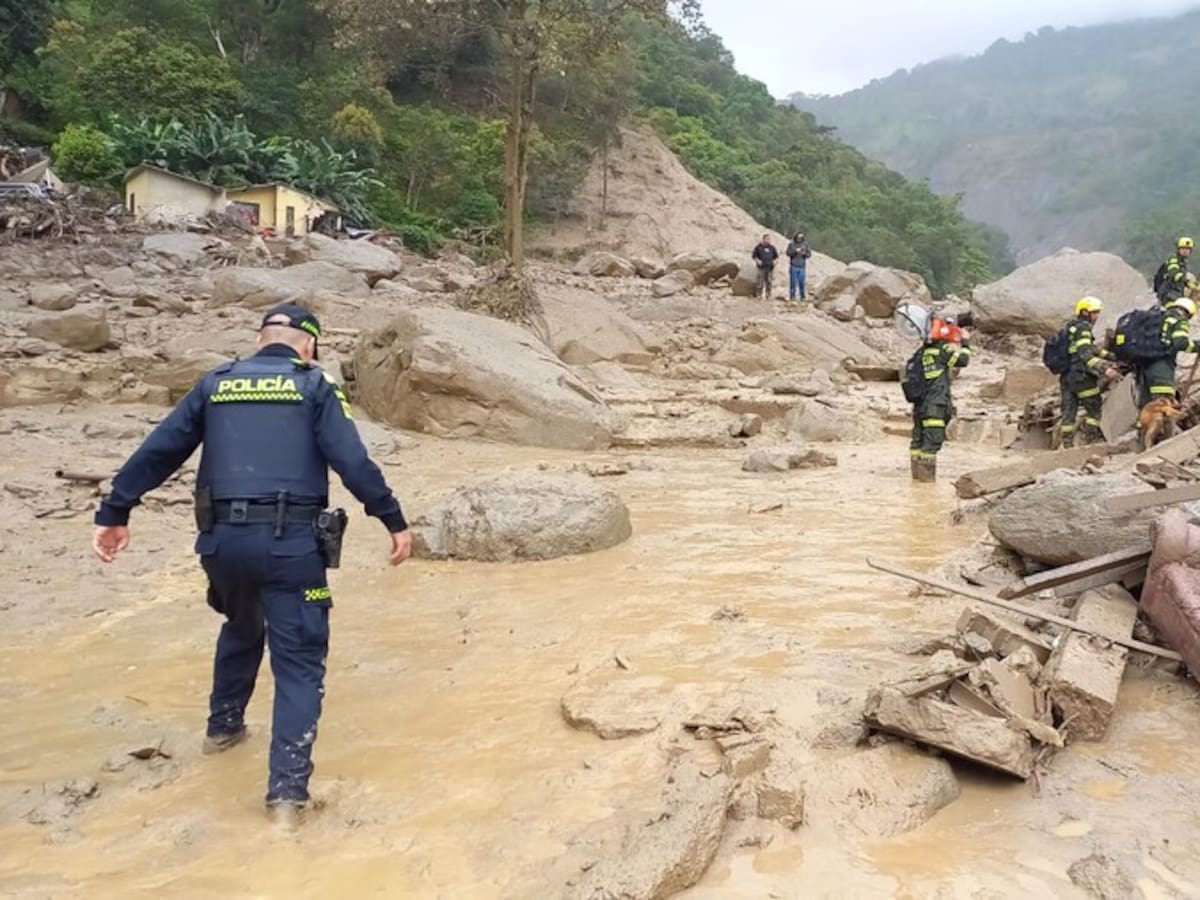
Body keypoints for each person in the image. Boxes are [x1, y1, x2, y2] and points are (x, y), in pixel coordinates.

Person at [92, 303, 412, 824]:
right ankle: (286, 797)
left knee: (242, 625)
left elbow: (159, 450)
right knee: (300, 665)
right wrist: (393, 521)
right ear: (309, 345)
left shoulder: (216, 382)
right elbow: (352, 461)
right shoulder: (314, 385)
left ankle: (222, 731)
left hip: (222, 547)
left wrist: (115, 510)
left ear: (263, 339)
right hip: (291, 548)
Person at [909, 317, 971, 482]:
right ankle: (926, 485)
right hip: (935, 405)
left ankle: (916, 481)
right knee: (931, 444)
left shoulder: (921, 352)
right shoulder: (941, 350)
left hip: (920, 405)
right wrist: (965, 343)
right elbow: (963, 360)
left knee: (918, 442)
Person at [1058, 297, 1116, 448]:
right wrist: (1105, 369)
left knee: (1069, 412)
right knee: (1094, 409)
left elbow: (1088, 348)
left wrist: (1110, 355)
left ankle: (1067, 446)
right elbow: (1085, 355)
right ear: (1085, 312)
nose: (1096, 316)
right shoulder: (1084, 328)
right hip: (1081, 377)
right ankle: (1087, 442)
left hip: (1066, 376)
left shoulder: (1072, 327)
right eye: (1094, 312)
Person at [1135, 296, 1197, 408]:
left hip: (1144, 364)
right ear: (1188, 313)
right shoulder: (1179, 320)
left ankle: (1141, 424)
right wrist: (1197, 346)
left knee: (1147, 404)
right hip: (1161, 367)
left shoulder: (1159, 317)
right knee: (1164, 404)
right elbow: (1180, 343)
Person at [1156, 237, 1196, 305]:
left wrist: (1189, 284)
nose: (1185, 251)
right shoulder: (1173, 259)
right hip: (1168, 293)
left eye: (1187, 249)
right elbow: (1174, 273)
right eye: (1183, 248)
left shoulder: (1183, 262)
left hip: (1176, 293)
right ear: (1178, 249)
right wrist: (1186, 281)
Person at [785, 231, 812, 301]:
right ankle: (792, 296)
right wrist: (795, 251)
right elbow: (788, 253)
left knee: (801, 282)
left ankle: (802, 296)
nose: (799, 238)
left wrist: (804, 254)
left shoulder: (805, 245)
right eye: (798, 237)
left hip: (802, 266)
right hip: (794, 265)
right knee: (793, 282)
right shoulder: (791, 244)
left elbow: (809, 254)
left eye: (801, 237)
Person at [751, 233, 779, 300]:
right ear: (763, 239)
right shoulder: (758, 247)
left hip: (770, 268)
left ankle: (768, 295)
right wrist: (758, 261)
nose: (768, 240)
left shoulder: (772, 248)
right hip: (761, 267)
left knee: (769, 282)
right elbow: (754, 256)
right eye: (767, 239)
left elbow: (776, 257)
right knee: (760, 282)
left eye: (769, 239)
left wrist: (775, 262)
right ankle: (759, 295)